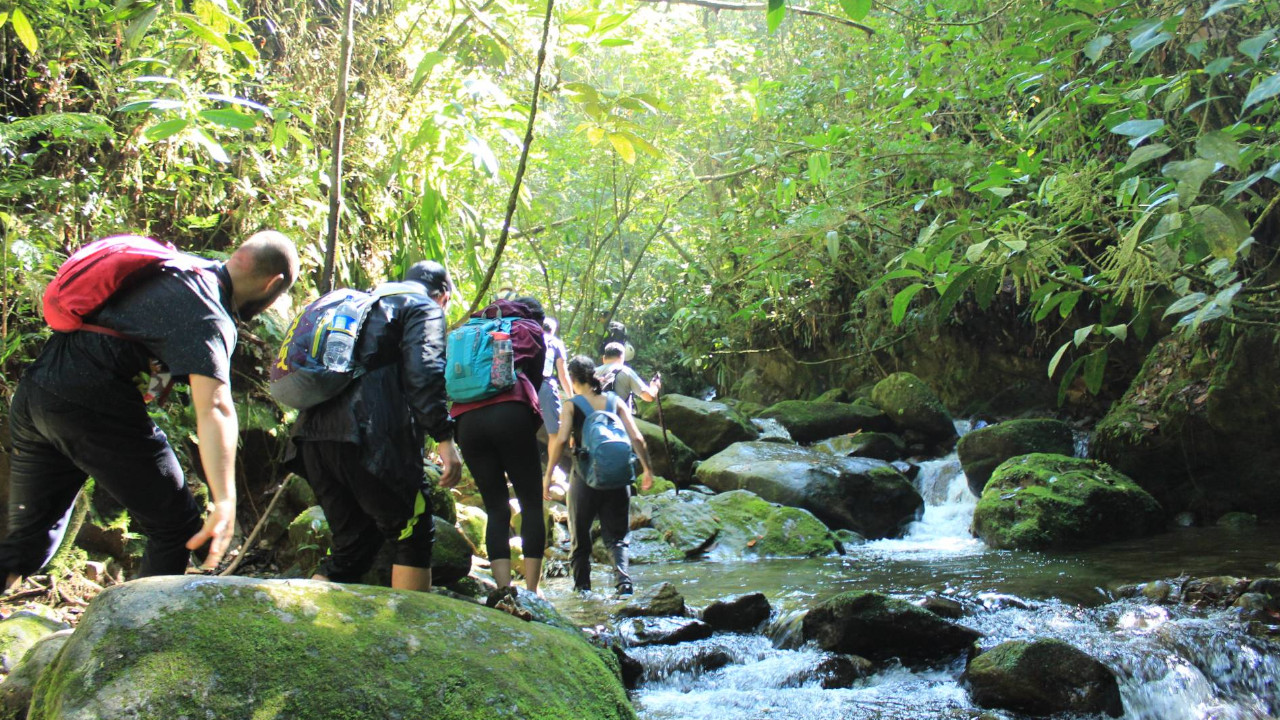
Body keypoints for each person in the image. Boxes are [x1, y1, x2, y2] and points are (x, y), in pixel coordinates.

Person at [1, 231, 299, 590]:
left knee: (29, 542)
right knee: (178, 529)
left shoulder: (181, 270)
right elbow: (216, 406)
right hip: (90, 402)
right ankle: (135, 642)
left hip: (37, 391)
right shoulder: (209, 312)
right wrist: (225, 500)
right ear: (274, 284)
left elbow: (149, 357)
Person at [284, 261, 462, 592]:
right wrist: (444, 438)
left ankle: (310, 633)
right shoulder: (423, 307)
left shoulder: (362, 304)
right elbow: (424, 372)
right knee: (413, 532)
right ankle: (412, 638)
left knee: (352, 546)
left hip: (311, 437)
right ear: (444, 297)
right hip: (369, 439)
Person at [451, 295, 547, 599]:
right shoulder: (529, 327)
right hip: (510, 413)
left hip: (465, 419)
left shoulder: (474, 326)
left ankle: (504, 591)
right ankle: (532, 592)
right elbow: (534, 380)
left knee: (495, 507)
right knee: (531, 503)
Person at [544, 355, 654, 596]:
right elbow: (637, 437)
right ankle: (624, 586)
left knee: (580, 538)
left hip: (584, 478)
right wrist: (647, 470)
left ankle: (583, 591)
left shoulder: (572, 404)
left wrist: (548, 474)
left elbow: (561, 440)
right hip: (617, 477)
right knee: (617, 538)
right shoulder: (615, 401)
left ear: (572, 379)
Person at [538, 316, 572, 496]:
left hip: (523, 385)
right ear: (553, 330)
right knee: (554, 433)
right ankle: (551, 472)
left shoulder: (528, 337)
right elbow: (562, 373)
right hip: (544, 385)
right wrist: (572, 397)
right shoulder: (554, 343)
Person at [597, 341, 660, 412]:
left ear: (603, 358)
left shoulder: (592, 372)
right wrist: (655, 386)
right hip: (617, 421)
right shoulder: (626, 372)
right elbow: (649, 397)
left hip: (592, 420)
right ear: (622, 357)